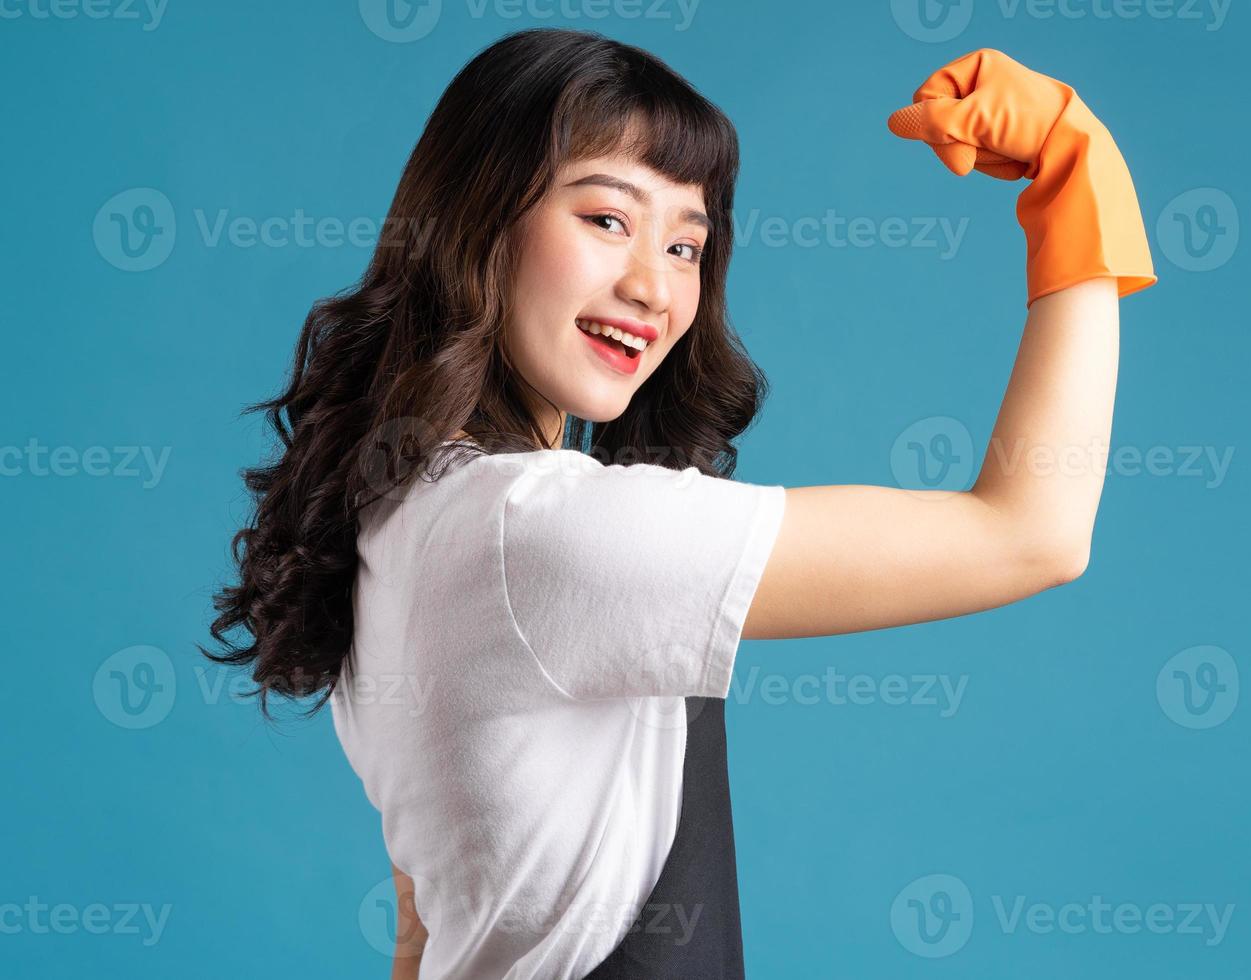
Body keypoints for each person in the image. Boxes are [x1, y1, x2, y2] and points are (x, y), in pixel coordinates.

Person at [202, 27, 1155, 980]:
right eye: (606, 219)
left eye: (686, 243)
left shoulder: (396, 523)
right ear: (478, 219)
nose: (653, 285)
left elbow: (424, 932)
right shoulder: (539, 532)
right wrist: (1079, 185)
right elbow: (1031, 533)